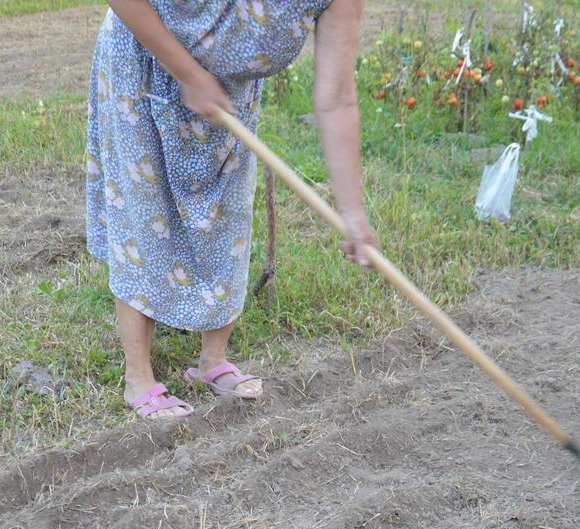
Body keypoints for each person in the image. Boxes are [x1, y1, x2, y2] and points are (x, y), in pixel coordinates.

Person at [87, 0, 376, 420]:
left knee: (227, 211)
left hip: (227, 89)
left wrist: (353, 213)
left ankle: (213, 360)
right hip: (145, 57)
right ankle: (139, 376)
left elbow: (337, 99)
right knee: (144, 209)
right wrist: (188, 74)